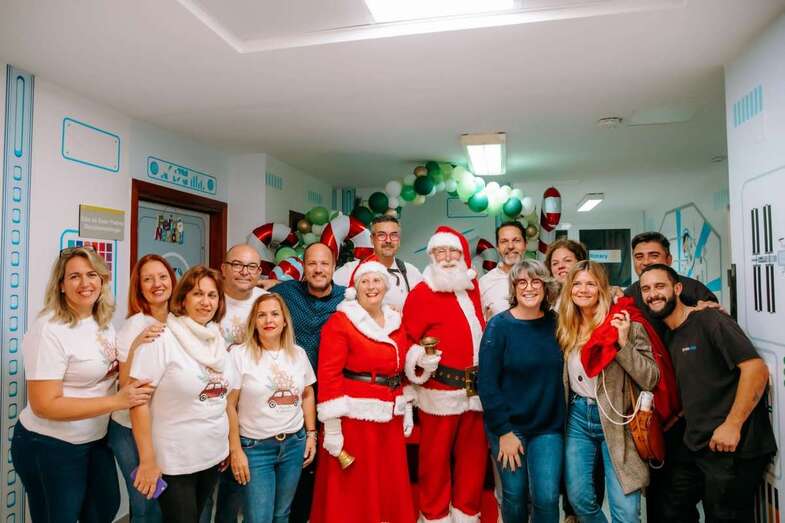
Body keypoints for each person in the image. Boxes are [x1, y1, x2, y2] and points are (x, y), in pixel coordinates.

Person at [12, 247, 154, 523]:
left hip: (94, 440)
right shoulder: (49, 329)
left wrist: (136, 346)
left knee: (105, 507)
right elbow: (44, 405)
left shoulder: (101, 321)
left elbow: (103, 371)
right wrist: (117, 401)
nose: (85, 283)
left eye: (92, 275)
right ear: (61, 285)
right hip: (51, 445)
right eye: (74, 276)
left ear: (102, 280)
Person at [640, 264, 776, 522]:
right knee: (670, 509)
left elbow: (755, 369)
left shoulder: (710, 320)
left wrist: (732, 425)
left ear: (677, 289)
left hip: (735, 447)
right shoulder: (670, 336)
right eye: (646, 288)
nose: (653, 294)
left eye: (660, 286)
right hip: (698, 444)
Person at [623, 231, 719, 523]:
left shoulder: (694, 291)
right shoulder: (630, 296)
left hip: (699, 410)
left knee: (712, 499)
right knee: (663, 498)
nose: (645, 262)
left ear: (669, 260)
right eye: (639, 257)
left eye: (653, 255)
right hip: (658, 412)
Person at [311, 255, 415, 522]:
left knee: (386, 483)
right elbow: (329, 374)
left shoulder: (396, 321)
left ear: (385, 286)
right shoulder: (340, 322)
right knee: (354, 487)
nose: (371, 286)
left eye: (377, 280)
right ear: (355, 288)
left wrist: (408, 408)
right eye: (365, 281)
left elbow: (400, 368)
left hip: (390, 415)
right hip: (354, 418)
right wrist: (332, 428)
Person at [130, 265, 235, 523]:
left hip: (211, 454)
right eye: (198, 294)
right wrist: (147, 460)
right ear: (183, 298)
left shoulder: (216, 339)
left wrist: (225, 447)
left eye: (213, 296)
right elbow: (137, 402)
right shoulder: (161, 339)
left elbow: (222, 398)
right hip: (175, 460)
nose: (206, 302)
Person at [559, 261, 659, 523]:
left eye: (590, 283)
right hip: (578, 417)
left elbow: (650, 377)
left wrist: (623, 343)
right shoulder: (565, 328)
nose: (583, 289)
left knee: (625, 512)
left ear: (602, 289)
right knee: (579, 499)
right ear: (569, 289)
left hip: (617, 420)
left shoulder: (623, 323)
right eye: (577, 284)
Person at [403, 226, 487, 522]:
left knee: (473, 461)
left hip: (476, 392)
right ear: (432, 256)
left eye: (453, 252)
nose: (448, 258)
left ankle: (466, 514)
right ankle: (435, 515)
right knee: (434, 462)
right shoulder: (421, 294)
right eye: (441, 252)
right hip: (439, 391)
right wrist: (419, 361)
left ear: (463, 255)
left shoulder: (472, 289)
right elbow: (406, 339)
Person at [478, 259, 564, 523]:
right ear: (513, 289)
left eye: (536, 281)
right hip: (508, 427)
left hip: (548, 426)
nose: (529, 288)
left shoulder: (557, 323)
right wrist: (504, 432)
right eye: (522, 282)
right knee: (515, 494)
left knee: (547, 497)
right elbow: (487, 383)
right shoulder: (499, 327)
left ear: (545, 286)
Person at [268, 242, 345, 522]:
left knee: (327, 460)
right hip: (293, 393)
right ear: (303, 267)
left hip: (332, 394)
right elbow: (254, 300)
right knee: (297, 462)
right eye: (312, 263)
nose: (318, 269)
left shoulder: (347, 299)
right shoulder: (284, 293)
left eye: (324, 264)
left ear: (334, 267)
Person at [227, 293, 317, 523]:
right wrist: (236, 450)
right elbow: (229, 404)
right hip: (255, 448)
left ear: (285, 320)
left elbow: (307, 393)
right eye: (262, 315)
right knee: (259, 518)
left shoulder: (298, 354)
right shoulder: (240, 355)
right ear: (254, 322)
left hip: (294, 445)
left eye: (275, 314)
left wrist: (311, 435)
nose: (269, 320)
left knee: (282, 514)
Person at [108, 254, 177, 523]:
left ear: (172, 280)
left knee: (167, 502)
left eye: (162, 277)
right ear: (139, 287)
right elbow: (126, 387)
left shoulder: (181, 319)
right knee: (147, 504)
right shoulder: (133, 327)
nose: (156, 284)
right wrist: (136, 346)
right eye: (147, 279)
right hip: (128, 429)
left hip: (162, 426)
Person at [212, 244, 268, 523]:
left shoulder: (266, 301)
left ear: (259, 272)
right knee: (204, 489)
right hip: (208, 406)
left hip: (248, 412)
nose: (244, 272)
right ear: (224, 268)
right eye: (237, 265)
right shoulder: (209, 298)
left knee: (236, 491)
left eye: (252, 267)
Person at [333, 215, 423, 311]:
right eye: (381, 235)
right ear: (372, 239)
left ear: (399, 240)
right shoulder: (350, 271)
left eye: (393, 235)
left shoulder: (412, 273)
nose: (388, 240)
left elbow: (423, 311)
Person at [479, 221, 527, 319]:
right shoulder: (484, 282)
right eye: (504, 241)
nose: (510, 246)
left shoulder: (539, 278)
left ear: (525, 245)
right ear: (497, 247)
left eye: (516, 240)